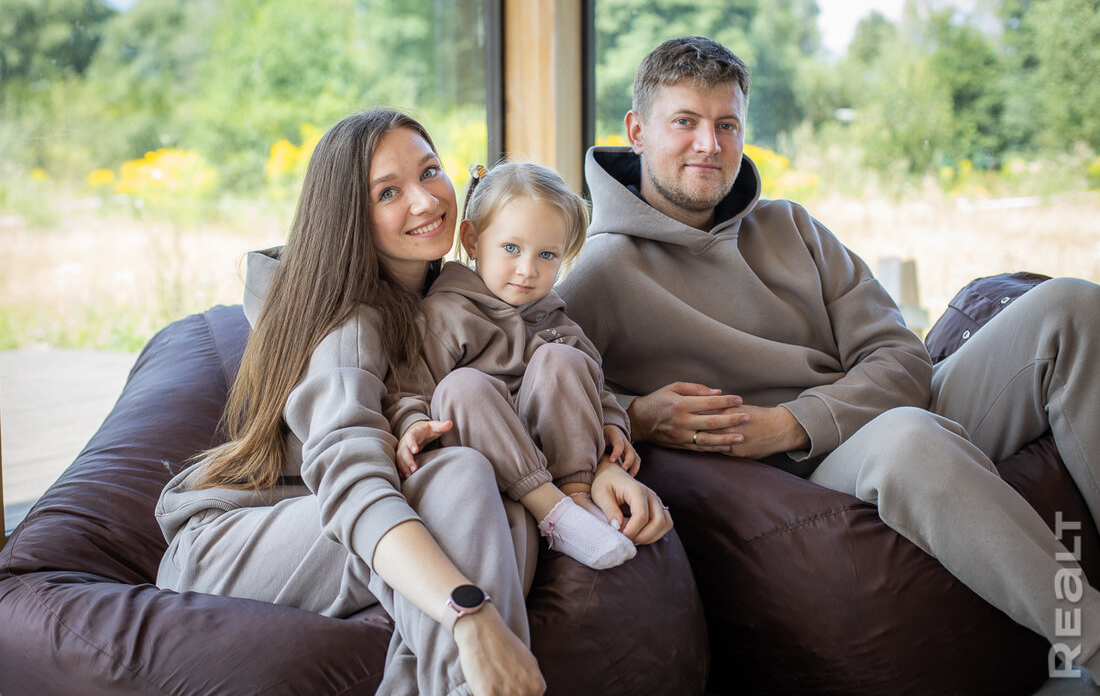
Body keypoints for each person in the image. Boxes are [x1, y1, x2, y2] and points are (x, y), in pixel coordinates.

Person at [557, 35, 1100, 681]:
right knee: (909, 439)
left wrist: (793, 421)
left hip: (872, 416)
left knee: (1070, 304)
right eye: (685, 122)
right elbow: (547, 398)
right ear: (637, 132)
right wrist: (639, 416)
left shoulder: (792, 227)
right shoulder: (599, 274)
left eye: (727, 124)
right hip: (809, 482)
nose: (709, 144)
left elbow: (901, 357)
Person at [154, 108, 673, 696]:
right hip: (234, 539)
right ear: (351, 218)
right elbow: (351, 481)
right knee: (461, 478)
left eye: (429, 172)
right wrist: (470, 615)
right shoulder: (348, 327)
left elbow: (534, 386)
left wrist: (600, 462)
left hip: (348, 512)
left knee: (506, 509)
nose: (426, 201)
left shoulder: (453, 291)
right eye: (388, 192)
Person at [384, 161, 640, 571]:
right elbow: (408, 387)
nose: (527, 270)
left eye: (547, 255)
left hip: (554, 451)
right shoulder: (443, 315)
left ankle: (577, 496)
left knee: (563, 357)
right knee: (462, 386)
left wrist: (612, 423)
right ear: (472, 240)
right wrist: (412, 423)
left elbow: (594, 386)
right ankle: (552, 512)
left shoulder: (556, 319)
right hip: (487, 454)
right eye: (511, 248)